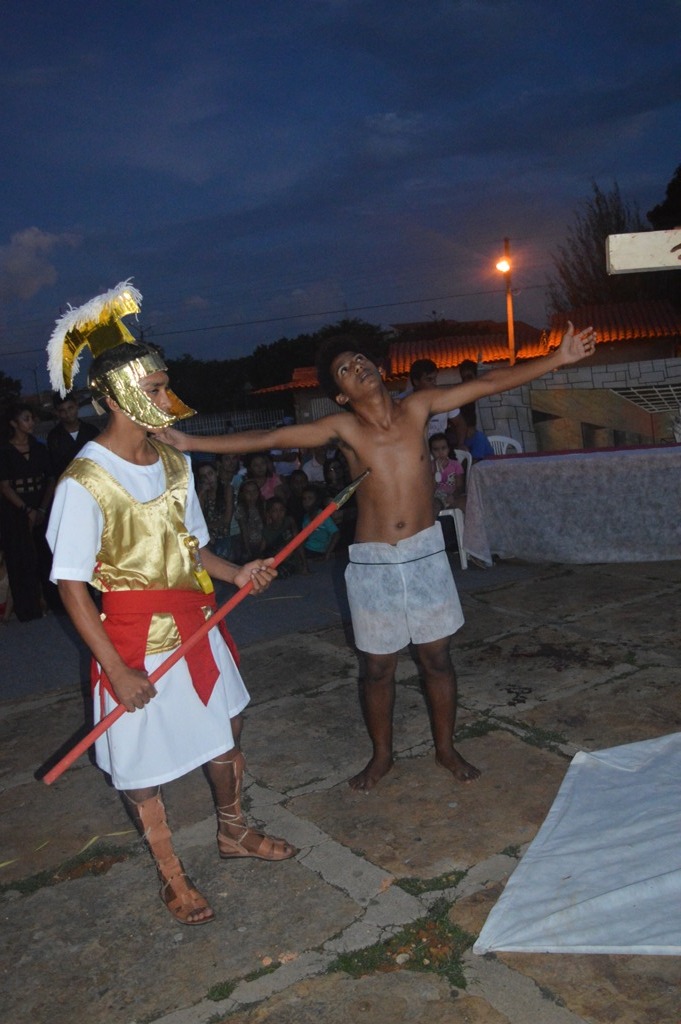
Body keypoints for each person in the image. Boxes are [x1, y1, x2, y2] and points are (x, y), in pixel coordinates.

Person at [157, 321, 597, 792]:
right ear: (341, 395)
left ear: (380, 368)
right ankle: (381, 757)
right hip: (373, 564)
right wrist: (189, 442)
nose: (357, 368)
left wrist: (558, 358)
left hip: (426, 554)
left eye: (360, 360)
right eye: (344, 370)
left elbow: (486, 383)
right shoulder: (343, 427)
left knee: (437, 660)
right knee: (377, 668)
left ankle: (446, 749)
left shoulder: (418, 408)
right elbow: (266, 437)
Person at [45, 282, 296, 926]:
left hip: (197, 625)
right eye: (154, 390)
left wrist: (237, 572)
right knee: (140, 769)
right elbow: (72, 586)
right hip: (132, 640)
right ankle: (171, 875)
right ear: (115, 396)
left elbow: (193, 550)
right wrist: (118, 671)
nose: (167, 401)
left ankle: (233, 831)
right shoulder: (85, 480)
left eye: (164, 385)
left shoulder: (172, 462)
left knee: (228, 733)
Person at [0, 403, 57, 620]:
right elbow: (4, 486)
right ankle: (27, 608)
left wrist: (41, 508)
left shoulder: (39, 448)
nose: (31, 423)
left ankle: (55, 602)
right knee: (19, 558)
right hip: (15, 510)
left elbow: (50, 479)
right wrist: (26, 510)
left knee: (47, 555)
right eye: (26, 419)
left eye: (32, 418)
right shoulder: (4, 451)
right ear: (14, 423)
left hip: (41, 504)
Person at [46, 392, 100, 480]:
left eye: (70, 408)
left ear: (76, 406)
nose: (68, 413)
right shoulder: (54, 437)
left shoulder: (91, 431)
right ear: (57, 413)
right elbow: (55, 467)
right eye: (62, 411)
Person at [405, 359, 460, 439]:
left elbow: (459, 423)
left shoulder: (444, 399)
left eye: (435, 379)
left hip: (439, 449)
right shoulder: (402, 402)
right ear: (416, 381)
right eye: (429, 380)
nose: (434, 383)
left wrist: (460, 444)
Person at [196, 460, 234, 559]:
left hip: (222, 535)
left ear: (216, 473)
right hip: (207, 537)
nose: (208, 478)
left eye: (210, 474)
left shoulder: (227, 489)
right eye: (204, 476)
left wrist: (208, 528)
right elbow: (197, 516)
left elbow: (227, 519)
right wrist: (201, 494)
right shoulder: (203, 494)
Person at [300, 484, 340, 560]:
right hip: (308, 549)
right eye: (304, 499)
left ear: (316, 500)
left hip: (320, 551)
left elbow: (336, 534)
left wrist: (327, 553)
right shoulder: (306, 517)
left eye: (310, 498)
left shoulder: (322, 515)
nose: (306, 502)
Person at [429, 432, 465, 511]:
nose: (440, 452)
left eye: (443, 448)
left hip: (452, 496)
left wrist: (453, 496)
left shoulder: (455, 465)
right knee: (435, 505)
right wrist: (436, 471)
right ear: (431, 452)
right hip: (436, 498)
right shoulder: (429, 467)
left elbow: (460, 487)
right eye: (436, 449)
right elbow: (430, 489)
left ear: (448, 449)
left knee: (466, 502)